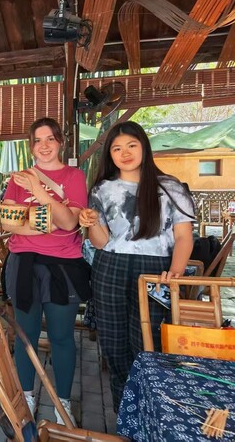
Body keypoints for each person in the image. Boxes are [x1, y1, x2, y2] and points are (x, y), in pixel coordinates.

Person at [79, 121, 194, 412]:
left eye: (131, 145)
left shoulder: (170, 187)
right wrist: (91, 223)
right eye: (117, 149)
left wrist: (176, 273)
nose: (125, 153)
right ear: (110, 155)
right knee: (113, 346)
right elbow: (101, 242)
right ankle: (125, 415)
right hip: (110, 267)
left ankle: (152, 412)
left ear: (144, 147)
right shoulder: (102, 188)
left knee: (150, 344)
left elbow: (183, 236)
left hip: (156, 271)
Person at [1, 117, 91, 425]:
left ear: (60, 142)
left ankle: (62, 401)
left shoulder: (74, 176)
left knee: (61, 336)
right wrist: (48, 224)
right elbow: (8, 222)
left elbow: (70, 222)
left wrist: (37, 190)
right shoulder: (18, 178)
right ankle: (26, 395)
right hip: (23, 263)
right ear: (31, 146)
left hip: (63, 265)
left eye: (50, 139)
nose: (44, 146)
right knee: (24, 335)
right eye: (37, 140)